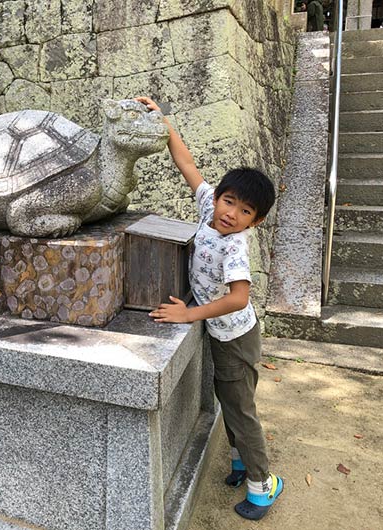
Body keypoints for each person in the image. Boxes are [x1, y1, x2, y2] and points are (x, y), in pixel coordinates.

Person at [135, 96, 283, 521]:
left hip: (236, 337)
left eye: (245, 211)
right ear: (217, 197)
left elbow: (239, 297)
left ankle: (262, 485)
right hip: (223, 335)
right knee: (228, 398)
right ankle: (240, 463)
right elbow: (186, 164)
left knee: (241, 409)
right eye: (229, 201)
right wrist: (164, 122)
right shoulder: (207, 211)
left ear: (255, 222)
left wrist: (189, 313)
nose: (232, 214)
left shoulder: (235, 244)